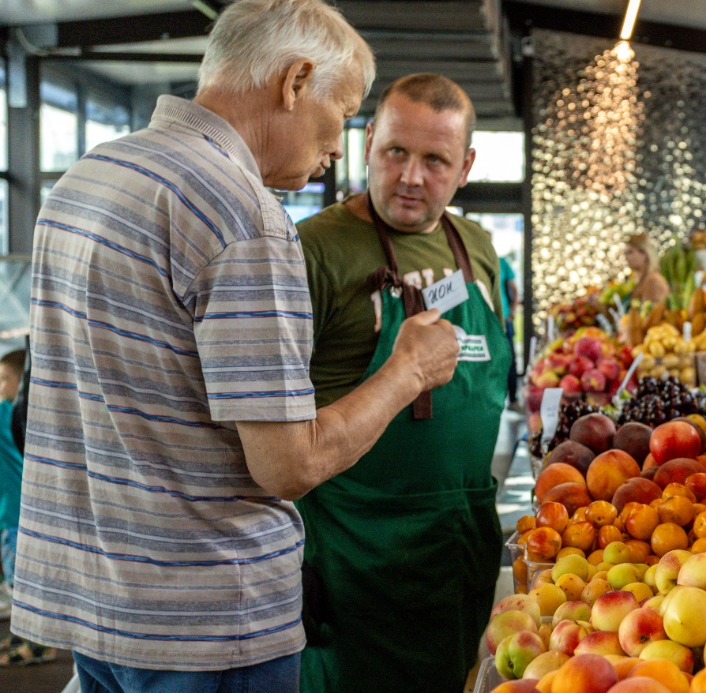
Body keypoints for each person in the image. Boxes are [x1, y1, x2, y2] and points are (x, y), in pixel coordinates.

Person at [11, 2, 459, 691]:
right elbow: (288, 463)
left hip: (95, 603)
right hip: (208, 623)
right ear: (295, 81)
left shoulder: (89, 176)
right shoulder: (242, 212)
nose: (340, 145)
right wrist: (407, 371)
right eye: (341, 112)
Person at [294, 73, 511, 692]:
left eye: (435, 160)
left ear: (466, 166)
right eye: (396, 152)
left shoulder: (477, 246)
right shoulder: (311, 250)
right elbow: (266, 425)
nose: (411, 177)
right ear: (366, 144)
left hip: (458, 542)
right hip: (355, 554)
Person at [0, 348, 53, 667]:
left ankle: (37, 644)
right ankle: (22, 638)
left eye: (4, 379)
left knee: (22, 583)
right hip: (12, 514)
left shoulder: (7, 413)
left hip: (18, 515)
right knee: (15, 582)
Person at [498, 252, 520, 407]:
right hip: (484, 321)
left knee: (510, 361)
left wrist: (512, 311)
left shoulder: (501, 263)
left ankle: (513, 400)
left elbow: (514, 289)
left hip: (504, 320)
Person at [625, 232, 670, 304]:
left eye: (630, 252)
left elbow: (655, 312)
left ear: (644, 254)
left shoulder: (654, 281)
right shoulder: (641, 280)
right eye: (626, 253)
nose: (626, 257)